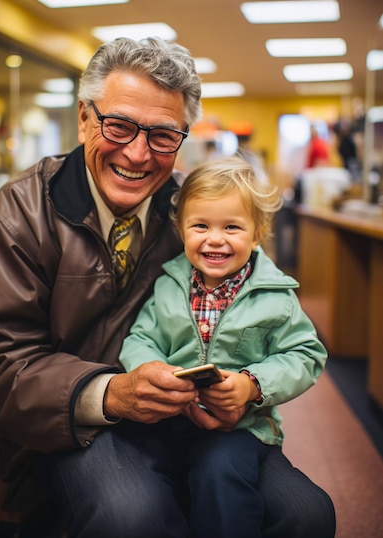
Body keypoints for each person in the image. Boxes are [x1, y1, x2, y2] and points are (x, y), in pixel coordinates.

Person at [0, 37, 336, 538]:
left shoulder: (200, 208)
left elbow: (263, 298)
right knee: (133, 516)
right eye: (118, 125)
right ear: (83, 118)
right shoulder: (19, 215)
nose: (138, 154)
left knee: (307, 514)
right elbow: (4, 372)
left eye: (163, 135)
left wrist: (248, 387)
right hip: (76, 426)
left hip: (196, 421)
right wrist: (113, 392)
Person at [119, 157, 329, 538]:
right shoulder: (170, 283)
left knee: (221, 475)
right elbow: (141, 337)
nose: (215, 239)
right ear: (181, 229)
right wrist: (152, 369)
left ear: (257, 232)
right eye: (200, 226)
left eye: (231, 227)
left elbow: (305, 354)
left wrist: (251, 384)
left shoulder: (276, 297)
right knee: (140, 490)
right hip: (170, 419)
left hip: (238, 429)